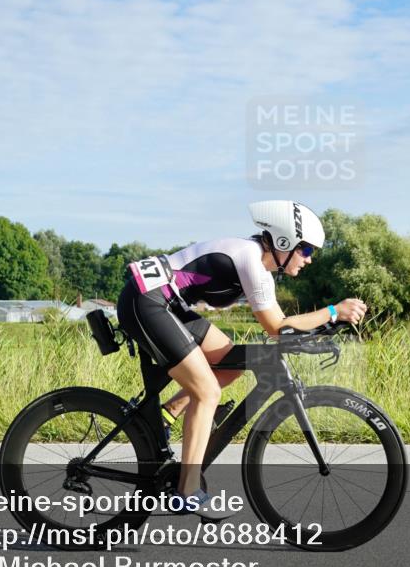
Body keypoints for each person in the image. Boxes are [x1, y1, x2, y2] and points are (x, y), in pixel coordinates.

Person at [116, 200, 367, 520]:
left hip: (169, 303)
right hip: (148, 301)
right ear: (284, 242)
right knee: (207, 392)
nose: (309, 259)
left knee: (231, 363)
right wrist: (333, 311)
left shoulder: (256, 262)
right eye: (306, 250)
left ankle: (166, 416)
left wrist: (325, 328)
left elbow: (283, 329)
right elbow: (277, 328)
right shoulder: (251, 260)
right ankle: (186, 491)